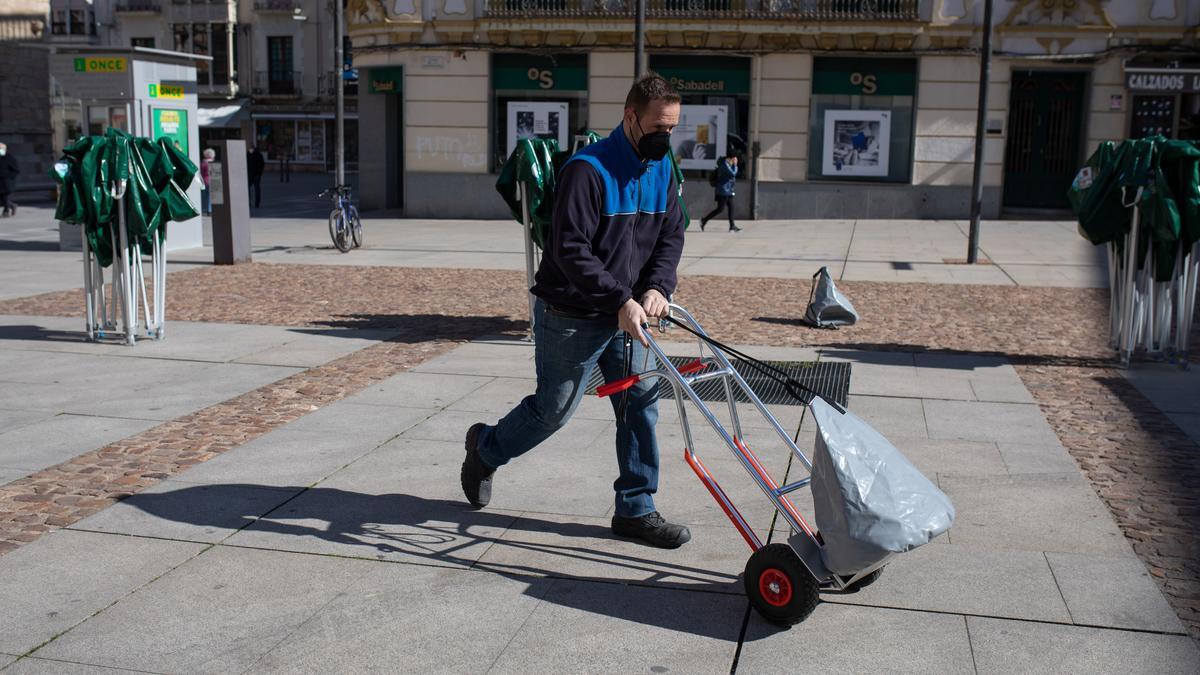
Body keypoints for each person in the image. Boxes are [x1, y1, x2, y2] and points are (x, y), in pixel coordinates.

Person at [461, 74, 691, 549]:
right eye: (658, 127)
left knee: (641, 405)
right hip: (572, 313)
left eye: (672, 129)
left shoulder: (663, 168)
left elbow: (671, 234)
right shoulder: (588, 170)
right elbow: (570, 249)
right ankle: (485, 448)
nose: (665, 138)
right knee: (553, 411)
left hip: (629, 314)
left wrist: (657, 287)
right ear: (630, 117)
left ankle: (636, 508)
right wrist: (620, 300)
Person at [700, 151, 741, 232]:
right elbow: (732, 174)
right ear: (732, 158)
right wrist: (735, 165)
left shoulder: (728, 164)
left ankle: (732, 226)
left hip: (728, 190)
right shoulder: (724, 164)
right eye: (735, 158)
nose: (735, 160)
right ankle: (704, 220)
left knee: (731, 207)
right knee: (720, 209)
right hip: (723, 190)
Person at [0, 142, 19, 218]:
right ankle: (12, 205)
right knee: (2, 199)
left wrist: (10, 178)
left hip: (6, 181)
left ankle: (6, 211)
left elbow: (15, 170)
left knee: (5, 197)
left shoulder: (10, 158)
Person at [200, 148, 215, 215]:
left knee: (204, 196)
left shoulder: (202, 163)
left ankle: (204, 208)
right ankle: (209, 210)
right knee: (210, 197)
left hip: (203, 181)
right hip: (211, 180)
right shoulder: (212, 162)